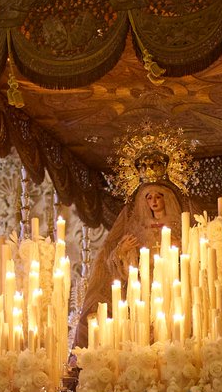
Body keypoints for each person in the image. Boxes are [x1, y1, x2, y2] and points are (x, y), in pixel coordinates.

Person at [74, 140, 193, 347]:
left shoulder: (180, 225)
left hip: (174, 285)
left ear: (166, 198)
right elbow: (114, 264)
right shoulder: (137, 228)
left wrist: (181, 247)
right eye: (149, 197)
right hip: (144, 288)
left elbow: (196, 256)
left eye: (158, 197)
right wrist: (123, 251)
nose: (154, 201)